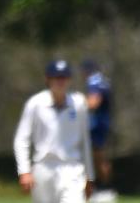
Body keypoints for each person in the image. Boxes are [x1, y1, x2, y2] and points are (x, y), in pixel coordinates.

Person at [13, 60, 95, 203]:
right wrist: (24, 171)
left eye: (64, 77)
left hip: (72, 168)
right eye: (56, 77)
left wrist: (89, 176)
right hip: (43, 167)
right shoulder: (36, 103)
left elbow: (85, 141)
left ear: (69, 79)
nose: (60, 81)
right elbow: (21, 139)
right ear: (48, 79)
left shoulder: (79, 103)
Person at [81, 59, 117, 203]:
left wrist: (75, 103)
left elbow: (93, 103)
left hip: (96, 125)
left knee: (97, 157)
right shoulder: (103, 81)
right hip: (102, 124)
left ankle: (104, 189)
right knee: (98, 157)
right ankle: (100, 188)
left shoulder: (94, 81)